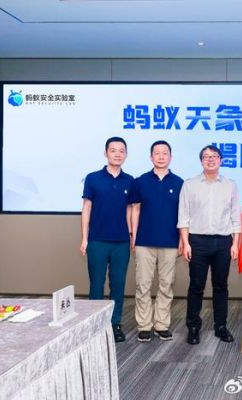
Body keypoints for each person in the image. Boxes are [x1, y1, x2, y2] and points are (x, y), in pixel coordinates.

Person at [177, 145, 241, 345]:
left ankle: (220, 326)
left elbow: (235, 217)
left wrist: (235, 244)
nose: (210, 159)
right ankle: (193, 327)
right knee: (196, 286)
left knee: (221, 286)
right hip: (197, 241)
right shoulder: (189, 185)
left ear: (220, 160)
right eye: (206, 156)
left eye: (214, 156)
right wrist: (186, 243)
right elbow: (183, 217)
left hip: (223, 242)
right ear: (201, 161)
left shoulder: (230, 185)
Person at [80, 136, 134, 343]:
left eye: (121, 151)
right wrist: (85, 238)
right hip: (97, 240)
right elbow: (86, 208)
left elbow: (129, 210)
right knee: (96, 283)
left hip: (121, 242)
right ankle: (95, 325)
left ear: (126, 155)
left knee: (118, 284)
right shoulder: (93, 178)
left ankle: (114, 324)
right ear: (106, 153)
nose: (117, 154)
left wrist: (131, 235)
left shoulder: (130, 180)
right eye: (113, 150)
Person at [130, 140, 184, 342]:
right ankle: (144, 325)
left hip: (170, 241)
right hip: (144, 241)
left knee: (166, 285)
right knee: (142, 285)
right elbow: (135, 210)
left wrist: (182, 239)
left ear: (171, 156)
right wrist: (133, 235)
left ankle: (161, 324)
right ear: (151, 156)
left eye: (165, 153)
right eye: (157, 153)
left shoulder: (179, 183)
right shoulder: (140, 181)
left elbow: (183, 215)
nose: (161, 157)